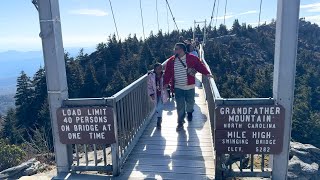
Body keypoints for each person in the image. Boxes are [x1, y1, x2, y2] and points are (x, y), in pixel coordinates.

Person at [163, 43, 213, 131]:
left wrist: (207, 73)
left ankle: (189, 112)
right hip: (178, 87)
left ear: (182, 49)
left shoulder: (192, 58)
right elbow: (167, 73)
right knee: (180, 106)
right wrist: (166, 83)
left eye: (176, 49)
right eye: (175, 48)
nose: (175, 50)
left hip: (190, 86)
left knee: (190, 102)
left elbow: (200, 66)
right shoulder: (171, 61)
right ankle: (180, 123)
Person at [147, 63, 169, 130]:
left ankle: (159, 121)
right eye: (158, 69)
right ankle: (159, 118)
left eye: (161, 68)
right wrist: (151, 94)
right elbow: (149, 86)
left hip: (162, 94)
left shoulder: (164, 75)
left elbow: (168, 82)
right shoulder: (151, 76)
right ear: (155, 69)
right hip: (155, 94)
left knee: (159, 107)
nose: (160, 70)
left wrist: (167, 85)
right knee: (157, 107)